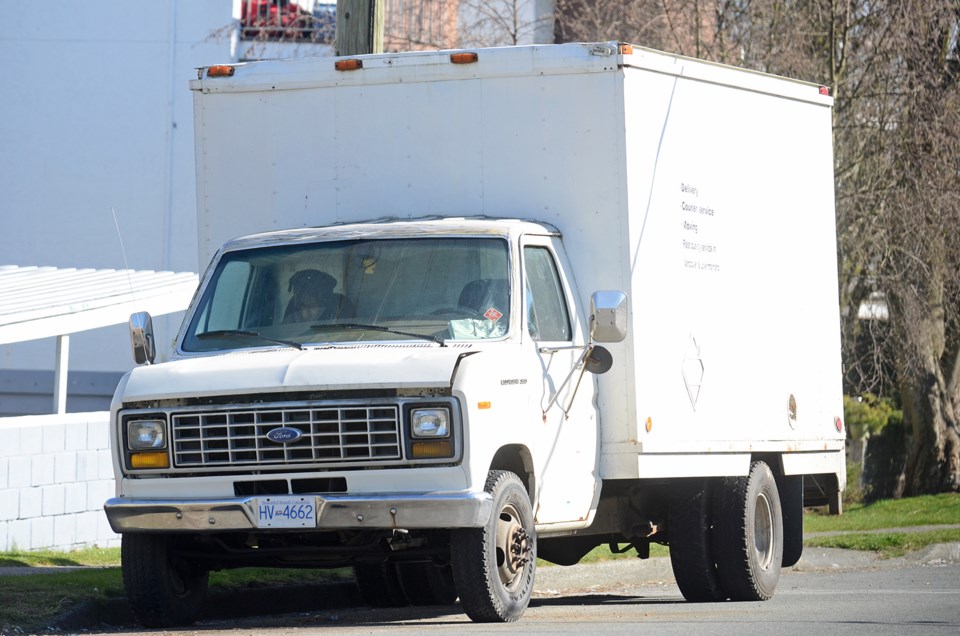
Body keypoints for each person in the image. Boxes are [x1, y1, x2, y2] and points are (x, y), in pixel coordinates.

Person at [283, 269, 349, 322]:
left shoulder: (341, 304)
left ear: (323, 291)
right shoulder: (292, 305)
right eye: (296, 289)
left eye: (308, 288)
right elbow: (284, 329)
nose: (299, 293)